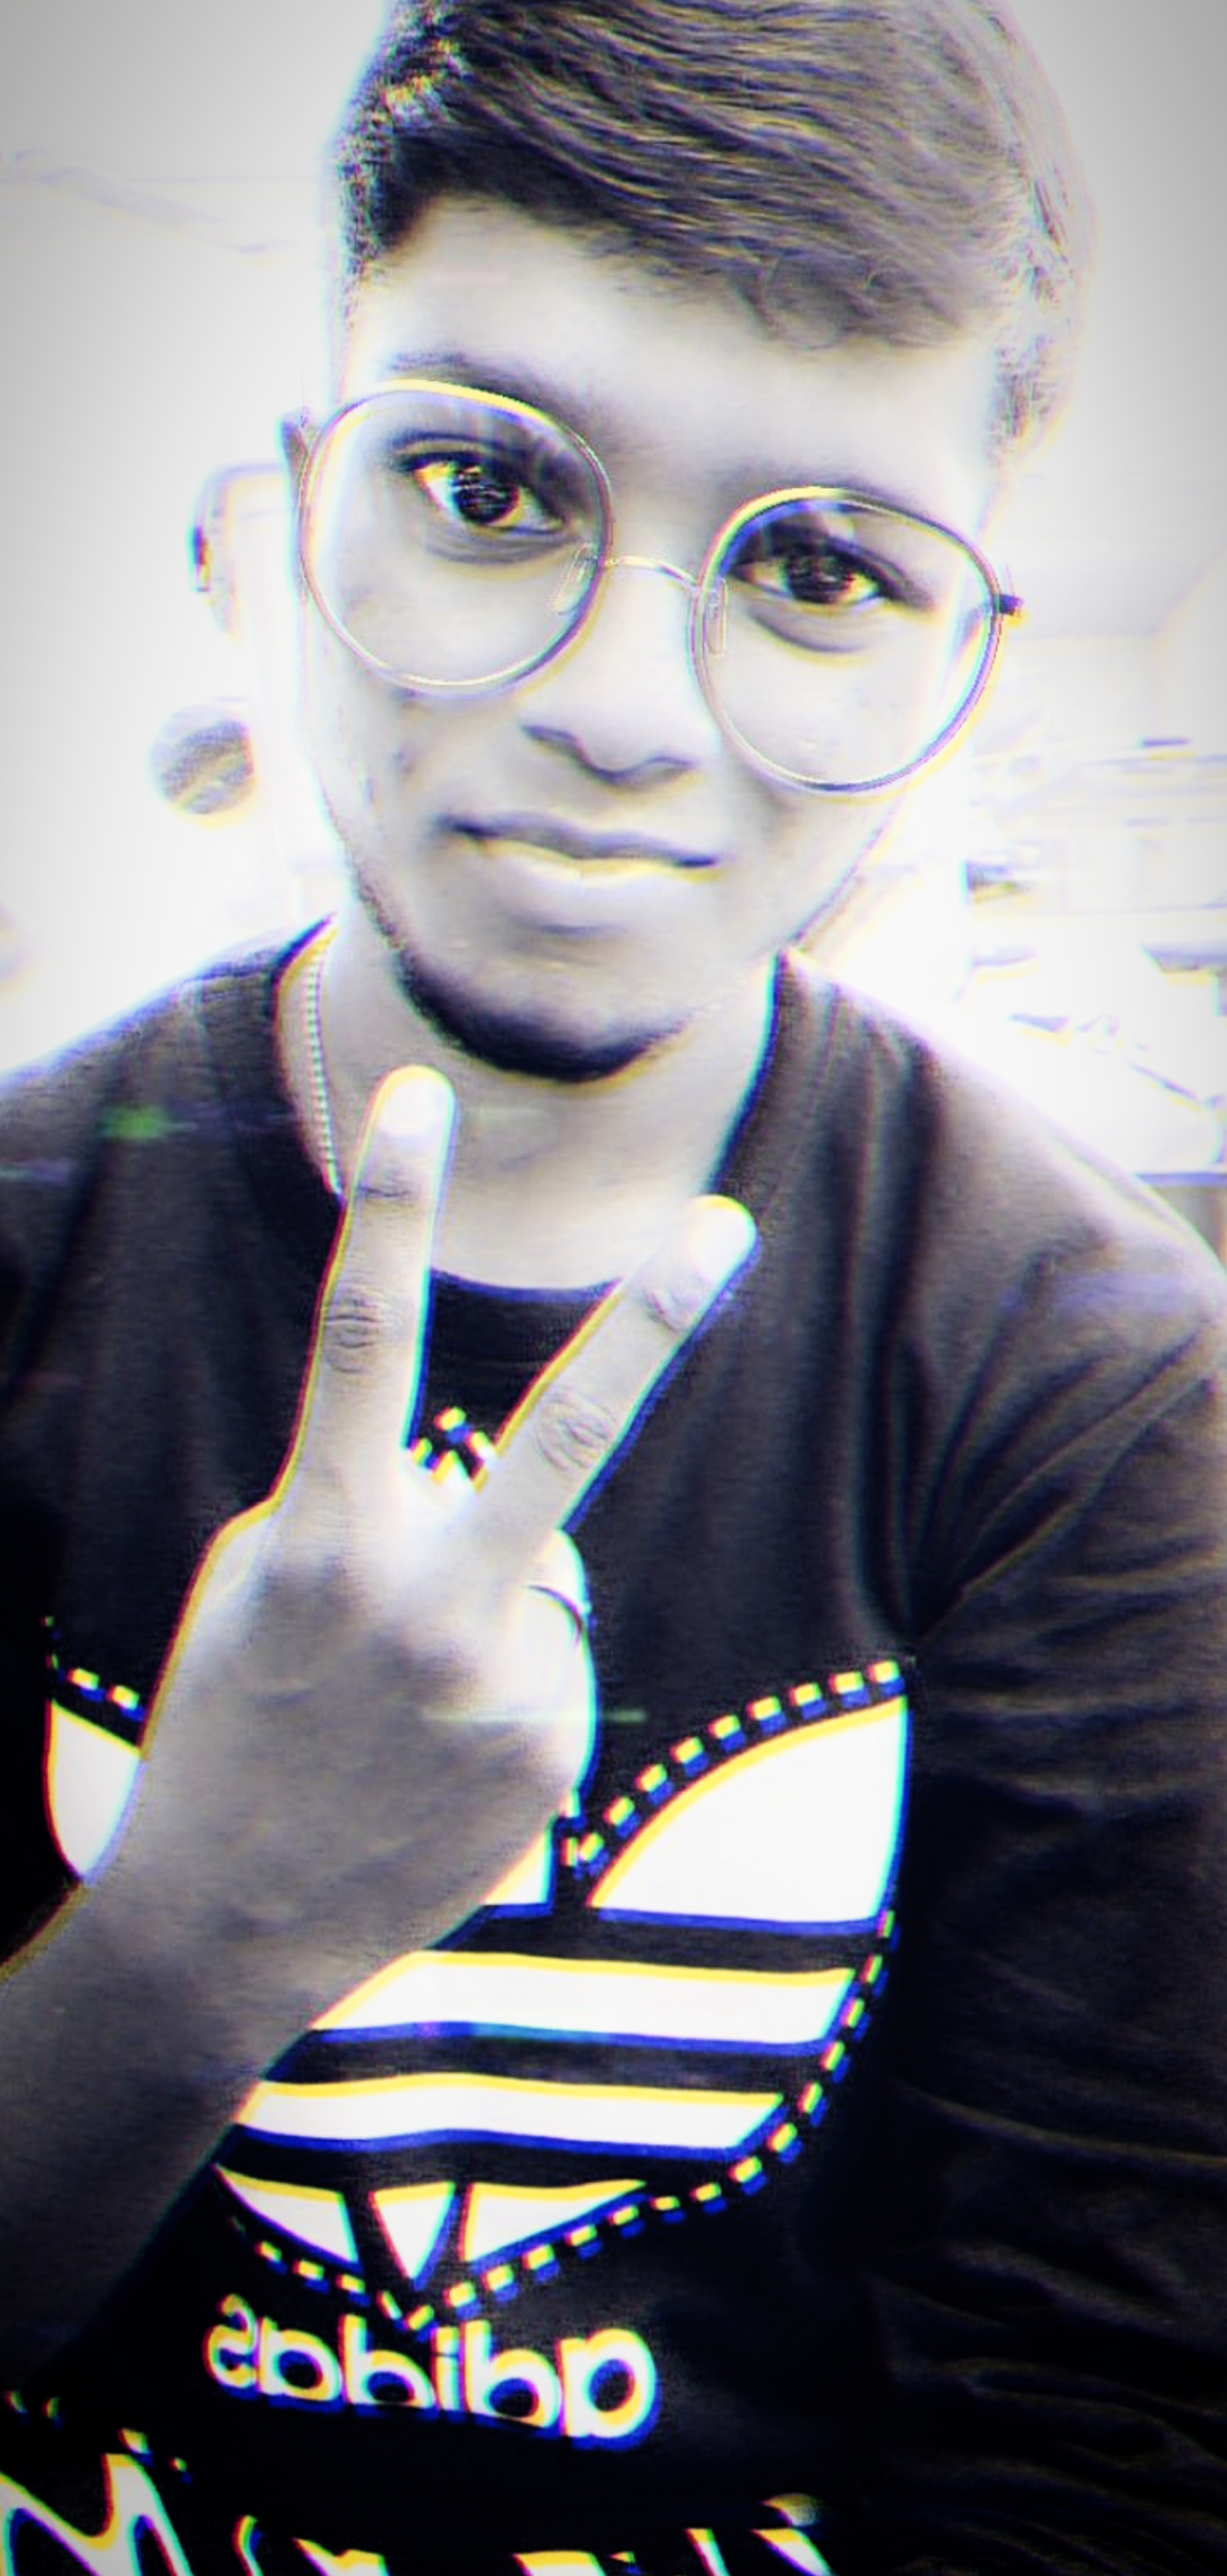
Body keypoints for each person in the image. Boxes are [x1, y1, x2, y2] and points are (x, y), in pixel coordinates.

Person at [1, 3, 1225, 2569]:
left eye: (817, 570)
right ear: (285, 521)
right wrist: (197, 1932)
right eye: (483, 488)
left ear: (958, 666)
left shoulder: (1090, 1383)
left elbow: (1096, 2429)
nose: (618, 712)